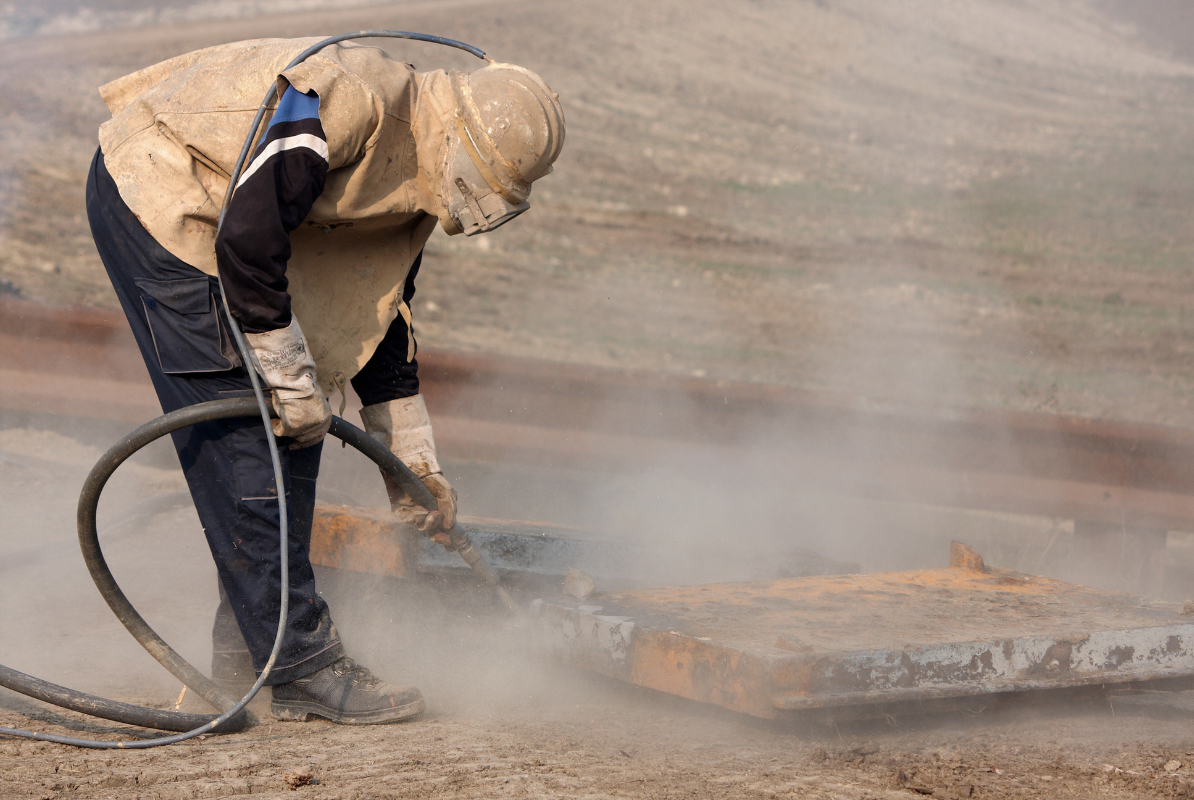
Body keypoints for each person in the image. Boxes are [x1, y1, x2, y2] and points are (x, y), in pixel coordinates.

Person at [85, 36, 565, 725]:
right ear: (462, 143)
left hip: (241, 233)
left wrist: (414, 467)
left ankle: (245, 658)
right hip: (164, 196)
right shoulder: (344, 104)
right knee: (245, 432)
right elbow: (247, 243)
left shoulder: (423, 164)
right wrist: (288, 378)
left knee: (292, 434)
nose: (473, 211)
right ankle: (302, 663)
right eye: (481, 187)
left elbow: (376, 311)